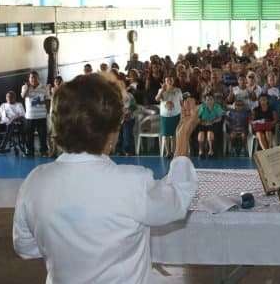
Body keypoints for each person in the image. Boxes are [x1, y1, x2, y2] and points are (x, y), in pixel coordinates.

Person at [13, 74, 198, 284]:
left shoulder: (35, 182)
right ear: (111, 133)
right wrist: (182, 135)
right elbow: (177, 200)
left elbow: (26, 247)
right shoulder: (132, 183)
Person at [21, 71, 50, 157]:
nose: (33, 79)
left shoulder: (44, 87)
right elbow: (23, 96)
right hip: (30, 116)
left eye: (34, 77)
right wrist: (27, 88)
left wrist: (48, 113)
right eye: (31, 77)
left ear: (38, 78)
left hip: (41, 116)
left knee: (42, 135)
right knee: (29, 135)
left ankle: (43, 151)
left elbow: (48, 100)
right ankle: (30, 151)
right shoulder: (25, 87)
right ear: (29, 79)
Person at [0, 91, 25, 155]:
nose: (9, 98)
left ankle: (2, 146)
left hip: (14, 125)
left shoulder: (18, 105)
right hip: (3, 124)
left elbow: (22, 116)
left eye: (11, 97)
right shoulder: (3, 105)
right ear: (6, 98)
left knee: (10, 124)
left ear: (14, 98)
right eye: (8, 97)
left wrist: (13, 120)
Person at [156, 75, 183, 158]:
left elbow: (181, 102)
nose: (169, 82)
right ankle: (168, 152)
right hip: (165, 115)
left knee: (174, 134)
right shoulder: (161, 90)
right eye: (167, 80)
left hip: (176, 114)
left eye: (171, 80)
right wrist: (162, 91)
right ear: (165, 81)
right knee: (166, 134)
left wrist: (183, 113)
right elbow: (157, 99)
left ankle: (174, 151)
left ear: (173, 81)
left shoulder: (178, 90)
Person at [196, 93, 225, 158]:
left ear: (214, 100)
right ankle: (200, 151)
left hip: (213, 124)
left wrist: (212, 122)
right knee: (201, 134)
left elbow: (220, 118)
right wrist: (203, 122)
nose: (209, 101)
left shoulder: (217, 106)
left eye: (211, 99)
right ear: (205, 101)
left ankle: (211, 151)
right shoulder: (202, 106)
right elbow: (197, 117)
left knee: (210, 134)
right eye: (207, 100)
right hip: (203, 124)